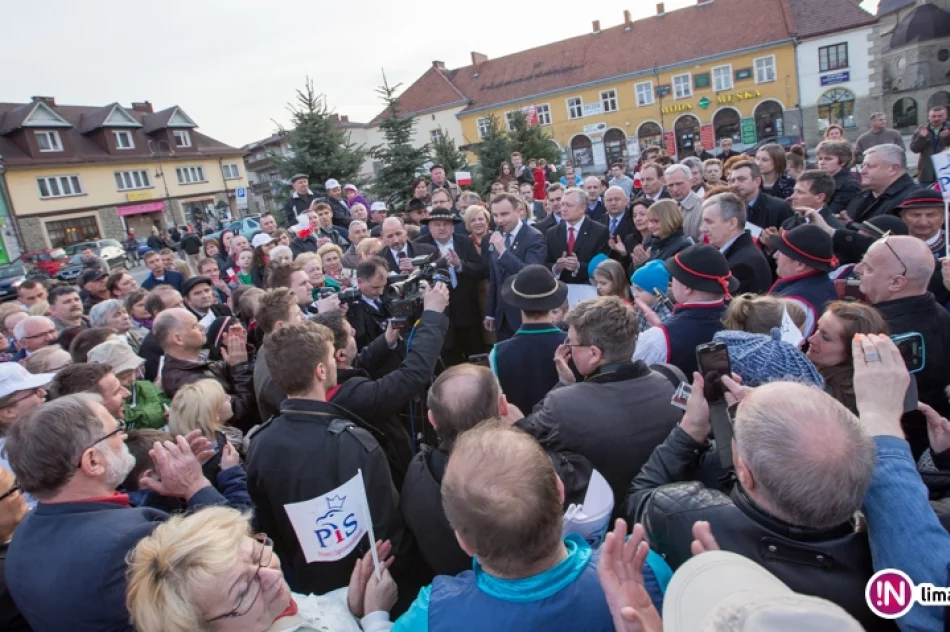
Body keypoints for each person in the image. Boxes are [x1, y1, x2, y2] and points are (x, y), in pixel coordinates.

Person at [624, 371, 889, 630]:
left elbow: (638, 499)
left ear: (745, 474)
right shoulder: (892, 563)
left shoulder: (682, 516)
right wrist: (764, 409)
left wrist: (690, 432)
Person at [398, 420, 662, 630]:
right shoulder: (640, 569)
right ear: (560, 491)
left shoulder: (429, 615)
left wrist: (374, 616)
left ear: (464, 542)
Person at [4, 393, 227, 631]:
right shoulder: (133, 539)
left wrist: (170, 489)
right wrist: (196, 486)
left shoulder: (23, 534)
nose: (124, 436)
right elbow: (239, 562)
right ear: (92, 461)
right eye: (115, 431)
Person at [244, 320, 417, 603]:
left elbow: (271, 526)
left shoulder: (258, 444)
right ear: (321, 371)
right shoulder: (352, 442)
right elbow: (387, 532)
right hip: (366, 588)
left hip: (307, 586)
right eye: (330, 358)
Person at [517, 296, 682, 507]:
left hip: (601, 520)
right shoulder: (671, 378)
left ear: (594, 353)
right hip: (667, 508)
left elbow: (523, 446)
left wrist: (564, 386)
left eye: (571, 342)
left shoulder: (562, 403)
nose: (568, 347)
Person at [125, 506, 396, 632]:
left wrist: (349, 603)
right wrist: (377, 617)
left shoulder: (266, 606)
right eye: (243, 590)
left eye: (256, 554)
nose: (271, 575)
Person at [314, 288, 448, 487]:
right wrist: (432, 315)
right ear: (339, 355)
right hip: (391, 478)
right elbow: (412, 375)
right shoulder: (353, 397)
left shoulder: (327, 379)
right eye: (352, 335)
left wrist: (387, 340)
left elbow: (357, 364)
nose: (356, 334)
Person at [856, 234, 950, 456]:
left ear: (897, 282)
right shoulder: (940, 314)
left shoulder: (878, 334)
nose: (858, 269)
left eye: (868, 268)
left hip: (892, 451)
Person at [634, 244, 737, 374]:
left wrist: (664, 332)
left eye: (674, 277)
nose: (671, 283)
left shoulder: (656, 338)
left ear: (688, 287)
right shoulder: (739, 317)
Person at [153, 307, 257, 431]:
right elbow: (239, 413)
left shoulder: (194, 362)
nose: (202, 327)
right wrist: (240, 367)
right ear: (178, 339)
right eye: (194, 326)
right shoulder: (184, 381)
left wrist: (238, 352)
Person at [489, 265, 567, 414]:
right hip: (566, 431)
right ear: (553, 302)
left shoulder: (498, 353)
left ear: (518, 303)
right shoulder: (571, 345)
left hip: (519, 432)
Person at [415, 207, 487, 363]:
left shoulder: (465, 241)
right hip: (439, 314)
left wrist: (460, 265)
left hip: (467, 312)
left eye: (446, 224)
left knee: (475, 358)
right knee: (450, 360)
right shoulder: (419, 246)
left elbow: (481, 270)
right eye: (437, 224)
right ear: (429, 227)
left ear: (453, 226)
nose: (442, 228)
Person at [806, 301, 889, 415]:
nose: (811, 339)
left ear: (853, 351)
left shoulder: (827, 397)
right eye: (818, 328)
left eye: (825, 337)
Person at [484, 193, 547, 341]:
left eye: (504, 214)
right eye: (495, 215)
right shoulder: (497, 236)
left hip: (525, 316)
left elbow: (530, 276)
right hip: (502, 317)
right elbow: (495, 279)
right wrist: (490, 313)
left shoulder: (534, 237)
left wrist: (504, 253)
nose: (499, 220)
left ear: (518, 211)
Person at [87, 338, 169, 430]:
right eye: (124, 377)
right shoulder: (99, 401)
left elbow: (167, 404)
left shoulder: (144, 386)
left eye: (134, 372)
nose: (132, 379)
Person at [701, 192, 772, 294]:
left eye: (709, 222)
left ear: (732, 223)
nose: (702, 228)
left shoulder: (744, 266)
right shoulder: (739, 254)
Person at [545, 187, 610, 286]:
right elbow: (545, 263)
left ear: (582, 208)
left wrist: (579, 267)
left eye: (569, 205)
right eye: (562, 204)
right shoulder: (551, 233)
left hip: (589, 288)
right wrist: (556, 267)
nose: (564, 209)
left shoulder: (600, 231)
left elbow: (604, 267)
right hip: (560, 288)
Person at [844, 143, 916, 223]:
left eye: (870, 166)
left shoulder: (910, 201)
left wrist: (848, 226)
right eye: (862, 166)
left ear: (893, 169)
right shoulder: (865, 195)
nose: (862, 171)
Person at [727, 160, 794, 229]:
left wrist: (776, 239)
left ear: (757, 181)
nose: (735, 184)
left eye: (741, 179)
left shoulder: (780, 208)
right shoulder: (726, 207)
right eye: (733, 181)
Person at [138, 285, 183, 382]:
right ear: (157, 312)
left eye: (182, 303)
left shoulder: (187, 328)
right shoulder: (152, 346)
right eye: (176, 305)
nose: (183, 308)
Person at [631, 199, 691, 270]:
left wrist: (646, 263)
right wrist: (635, 264)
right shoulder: (649, 241)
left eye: (655, 221)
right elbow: (632, 276)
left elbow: (669, 277)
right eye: (650, 221)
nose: (651, 226)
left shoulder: (683, 246)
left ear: (669, 219)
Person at [895, 187, 946, 256]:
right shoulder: (891, 245)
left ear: (943, 217)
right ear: (902, 216)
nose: (923, 222)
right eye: (916, 215)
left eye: (931, 215)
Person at [910, 104, 950, 185]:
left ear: (946, 116)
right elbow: (914, 149)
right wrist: (921, 137)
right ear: (929, 117)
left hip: (946, 172)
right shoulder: (921, 130)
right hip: (927, 174)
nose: (936, 118)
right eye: (933, 116)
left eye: (940, 116)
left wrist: (947, 137)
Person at [630, 260, 673, 333]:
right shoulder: (643, 307)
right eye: (634, 289)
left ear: (656, 293)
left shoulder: (665, 318)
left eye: (639, 290)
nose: (635, 294)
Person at [665, 164, 704, 242]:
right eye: (670, 185)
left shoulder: (703, 207)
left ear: (691, 182)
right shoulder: (666, 207)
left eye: (679, 184)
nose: (675, 189)